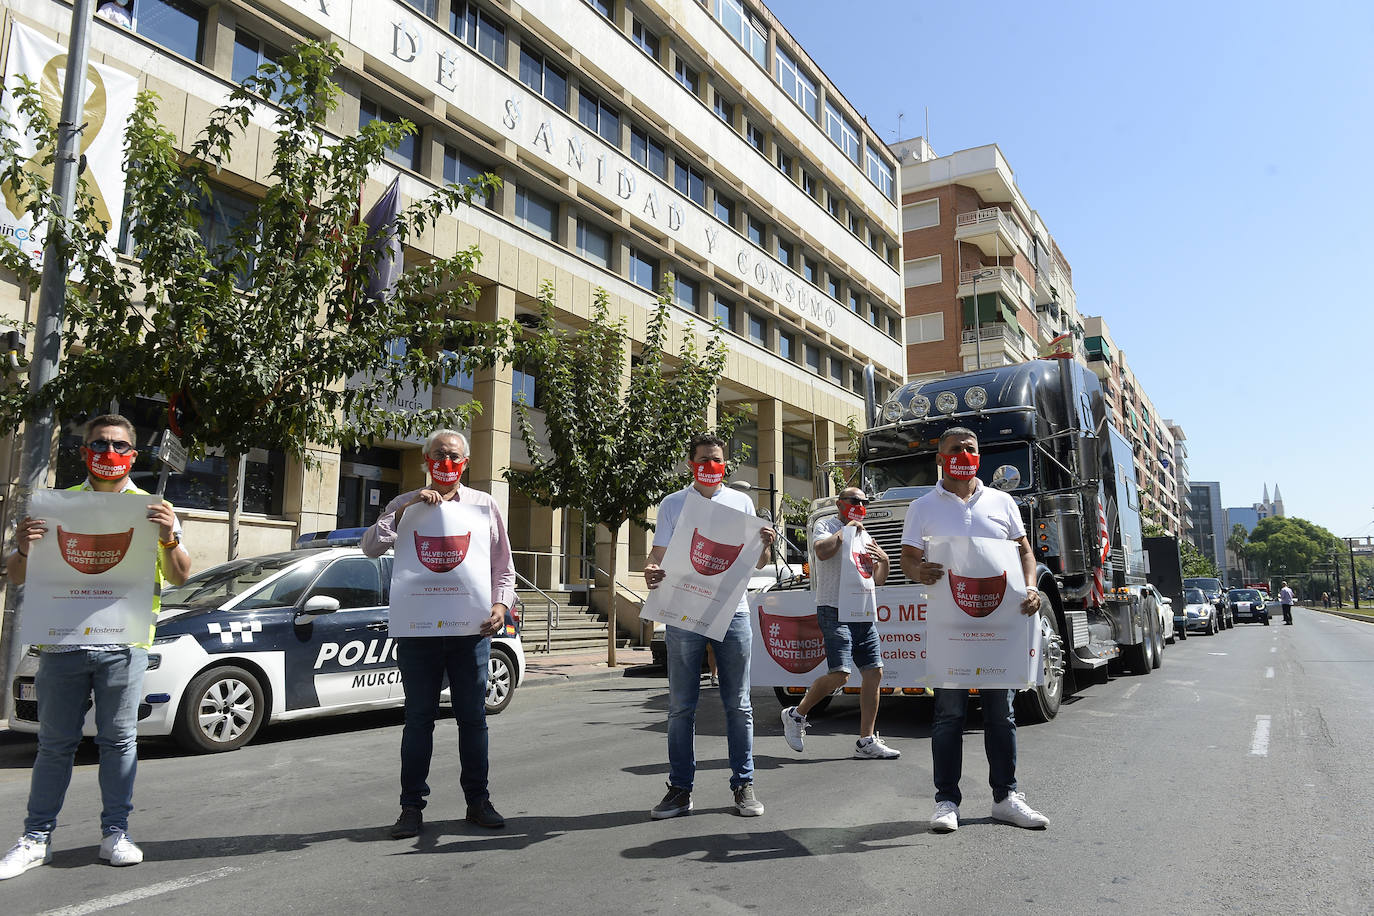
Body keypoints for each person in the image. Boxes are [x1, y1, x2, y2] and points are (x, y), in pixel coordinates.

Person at [0, 415, 191, 880]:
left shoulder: (154, 509)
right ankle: (35, 838)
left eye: (120, 445)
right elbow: (16, 575)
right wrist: (23, 549)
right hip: (63, 644)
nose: (109, 452)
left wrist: (168, 536)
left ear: (133, 454)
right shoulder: (56, 506)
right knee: (54, 745)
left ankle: (115, 834)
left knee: (119, 742)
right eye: (100, 444)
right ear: (84, 451)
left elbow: (182, 574)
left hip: (125, 646)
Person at [361, 430, 515, 839]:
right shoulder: (404, 504)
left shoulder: (484, 506)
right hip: (419, 633)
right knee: (418, 721)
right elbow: (370, 548)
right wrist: (403, 508)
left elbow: (503, 567)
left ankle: (477, 802)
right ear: (426, 459)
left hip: (471, 632)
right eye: (439, 455)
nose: (447, 462)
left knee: (473, 720)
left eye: (455, 457)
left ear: (465, 464)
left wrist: (501, 607)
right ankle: (411, 808)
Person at [899, 427, 1049, 833]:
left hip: (999, 626)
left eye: (971, 449)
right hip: (951, 626)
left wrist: (1032, 586)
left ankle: (1006, 797)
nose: (964, 454)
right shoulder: (923, 506)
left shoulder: (1002, 502)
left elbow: (1024, 552)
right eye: (955, 449)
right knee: (949, 714)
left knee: (1002, 713)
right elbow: (908, 557)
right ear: (940, 457)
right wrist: (919, 571)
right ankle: (946, 800)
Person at [642, 433, 776, 819]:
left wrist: (765, 541)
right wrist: (650, 572)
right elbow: (658, 556)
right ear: (690, 464)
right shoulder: (673, 504)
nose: (711, 466)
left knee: (739, 704)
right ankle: (680, 789)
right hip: (683, 612)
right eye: (704, 459)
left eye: (717, 460)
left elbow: (757, 561)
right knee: (682, 706)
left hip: (731, 612)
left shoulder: (742, 502)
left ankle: (743, 784)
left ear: (725, 464)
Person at [781, 485, 898, 760]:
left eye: (863, 501)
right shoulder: (827, 524)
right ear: (839, 502)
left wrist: (885, 560)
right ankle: (796, 715)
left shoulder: (864, 533)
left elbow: (877, 578)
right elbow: (821, 551)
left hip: (862, 611)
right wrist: (845, 532)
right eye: (854, 500)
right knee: (841, 674)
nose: (860, 505)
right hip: (834, 608)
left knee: (874, 672)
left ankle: (866, 740)